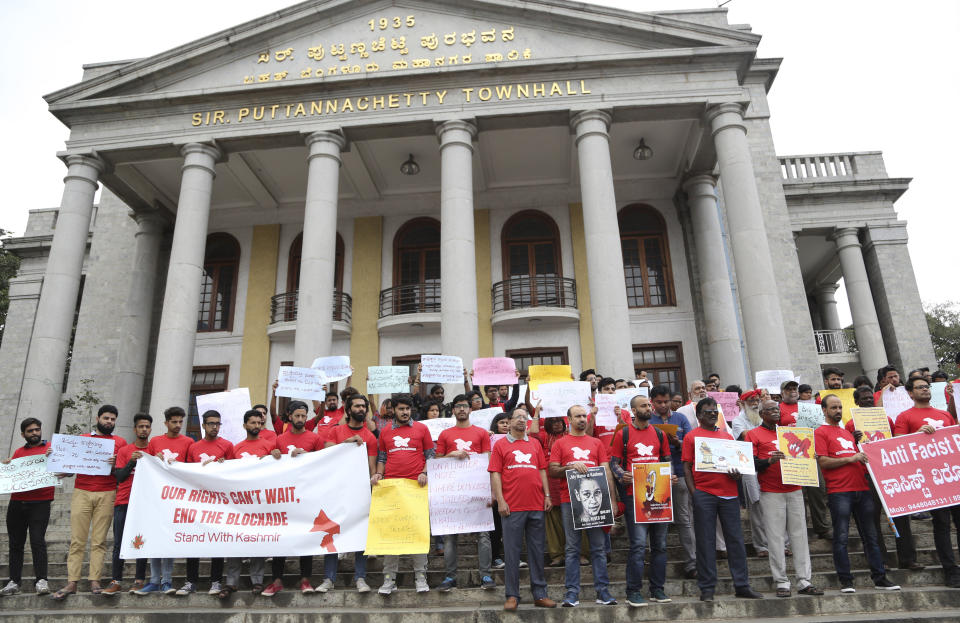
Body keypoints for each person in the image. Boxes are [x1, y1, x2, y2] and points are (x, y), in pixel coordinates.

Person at [815, 395, 900, 593]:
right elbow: (824, 462)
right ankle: (846, 581)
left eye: (840, 407)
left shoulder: (847, 434)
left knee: (871, 537)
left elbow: (857, 459)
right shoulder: (820, 432)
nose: (837, 410)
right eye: (833, 407)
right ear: (824, 410)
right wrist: (851, 459)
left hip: (862, 489)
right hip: (839, 492)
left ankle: (880, 578)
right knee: (841, 537)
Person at [682, 397, 762, 602]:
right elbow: (686, 468)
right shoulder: (692, 437)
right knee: (706, 541)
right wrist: (695, 493)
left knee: (735, 541)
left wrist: (737, 475)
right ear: (699, 415)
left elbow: (737, 467)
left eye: (714, 412)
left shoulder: (727, 437)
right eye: (707, 411)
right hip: (705, 494)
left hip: (729, 494)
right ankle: (707, 588)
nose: (711, 414)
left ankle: (742, 585)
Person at [746, 400, 822, 597]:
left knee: (800, 536)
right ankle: (781, 582)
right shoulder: (753, 435)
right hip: (771, 492)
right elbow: (750, 463)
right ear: (762, 414)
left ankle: (804, 580)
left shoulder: (791, 432)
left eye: (777, 409)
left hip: (795, 488)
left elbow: (804, 453)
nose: (776, 412)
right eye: (770, 410)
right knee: (776, 537)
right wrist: (769, 460)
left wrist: (809, 458)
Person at [52, 405, 126, 601]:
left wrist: (116, 463)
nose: (109, 422)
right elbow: (71, 466)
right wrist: (58, 463)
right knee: (77, 540)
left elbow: (122, 472)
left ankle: (95, 579)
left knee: (99, 540)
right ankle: (72, 581)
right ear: (98, 418)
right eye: (106, 418)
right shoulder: (83, 440)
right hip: (82, 491)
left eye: (112, 419)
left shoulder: (120, 442)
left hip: (107, 492)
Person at [892, 377, 960, 588]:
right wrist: (919, 435)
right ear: (910, 393)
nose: (925, 390)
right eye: (920, 387)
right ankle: (950, 570)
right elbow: (898, 446)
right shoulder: (904, 417)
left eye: (926, 386)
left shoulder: (945, 415)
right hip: (930, 482)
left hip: (952, 477)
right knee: (941, 525)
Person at [489, 408, 556, 611]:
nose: (521, 420)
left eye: (524, 418)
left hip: (536, 504)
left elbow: (542, 470)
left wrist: (547, 495)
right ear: (508, 421)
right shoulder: (500, 445)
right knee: (511, 553)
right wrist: (500, 500)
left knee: (536, 551)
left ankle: (540, 593)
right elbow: (495, 474)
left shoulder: (535, 443)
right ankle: (512, 595)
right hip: (512, 507)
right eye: (517, 417)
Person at [549, 404, 615, 607]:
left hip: (598, 501)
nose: (582, 419)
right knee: (572, 548)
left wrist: (612, 500)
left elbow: (607, 471)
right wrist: (570, 467)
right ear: (568, 419)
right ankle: (571, 593)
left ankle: (602, 592)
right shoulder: (560, 443)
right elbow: (552, 469)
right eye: (577, 416)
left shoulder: (596, 443)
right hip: (570, 501)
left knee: (598, 547)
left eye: (584, 415)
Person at [610, 394, 672, 607]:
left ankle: (657, 589)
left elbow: (666, 460)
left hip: (659, 495)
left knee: (661, 545)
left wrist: (670, 474)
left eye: (649, 404)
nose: (649, 407)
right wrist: (621, 475)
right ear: (634, 410)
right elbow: (614, 463)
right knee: (637, 545)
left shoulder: (659, 434)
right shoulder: (623, 434)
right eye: (644, 405)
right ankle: (633, 591)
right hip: (633, 495)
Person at [373, 393, 434, 595]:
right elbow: (382, 457)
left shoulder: (422, 429)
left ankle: (420, 576)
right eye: (401, 409)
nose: (405, 412)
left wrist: (425, 472)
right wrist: (379, 475)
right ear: (394, 411)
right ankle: (389, 579)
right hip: (391, 489)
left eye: (408, 409)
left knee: (418, 533)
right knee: (391, 535)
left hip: (416, 488)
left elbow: (430, 455)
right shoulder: (384, 432)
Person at [435, 394, 495, 592]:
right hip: (452, 493)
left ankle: (485, 575)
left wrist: (491, 491)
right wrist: (450, 455)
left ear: (470, 409)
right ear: (453, 410)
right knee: (450, 536)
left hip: (477, 490)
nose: (462, 409)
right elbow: (437, 462)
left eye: (465, 406)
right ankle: (450, 577)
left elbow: (488, 462)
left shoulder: (481, 433)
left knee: (483, 535)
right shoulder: (445, 435)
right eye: (458, 406)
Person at [220, 410, 281, 599]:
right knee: (236, 541)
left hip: (260, 503)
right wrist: (221, 463)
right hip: (239, 504)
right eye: (252, 423)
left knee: (258, 540)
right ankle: (231, 582)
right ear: (245, 425)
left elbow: (278, 470)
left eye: (259, 423)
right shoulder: (236, 448)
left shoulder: (270, 445)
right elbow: (228, 472)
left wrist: (277, 456)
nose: (256, 426)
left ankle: (257, 581)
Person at [133, 407, 194, 595]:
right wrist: (155, 460)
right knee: (154, 537)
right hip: (157, 497)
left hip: (177, 498)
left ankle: (167, 580)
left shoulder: (189, 442)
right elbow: (147, 467)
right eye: (174, 422)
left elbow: (192, 469)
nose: (177, 425)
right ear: (166, 422)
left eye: (180, 422)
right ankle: (153, 580)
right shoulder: (155, 442)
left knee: (169, 538)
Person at [262, 401, 320, 597]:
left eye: (304, 416)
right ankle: (277, 580)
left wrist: (307, 457)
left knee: (307, 537)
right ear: (289, 416)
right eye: (297, 416)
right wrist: (274, 454)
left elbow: (323, 463)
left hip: (306, 496)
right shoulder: (279, 439)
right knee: (281, 538)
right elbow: (269, 465)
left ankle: (305, 579)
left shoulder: (314, 438)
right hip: (284, 498)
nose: (301, 419)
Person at [322, 394, 378, 593]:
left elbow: (372, 467)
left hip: (359, 491)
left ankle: (360, 578)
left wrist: (373, 484)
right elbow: (327, 452)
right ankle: (329, 578)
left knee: (360, 534)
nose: (362, 409)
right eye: (357, 406)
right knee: (332, 532)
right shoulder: (336, 431)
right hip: (336, 490)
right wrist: (346, 443)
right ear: (348, 409)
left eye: (364, 406)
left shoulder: (370, 437)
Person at [183, 410, 233, 596]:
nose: (214, 427)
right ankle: (190, 581)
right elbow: (187, 473)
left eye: (218, 423)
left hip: (219, 502)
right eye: (211, 423)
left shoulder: (228, 446)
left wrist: (225, 465)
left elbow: (236, 472)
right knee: (193, 541)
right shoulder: (194, 448)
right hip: (198, 501)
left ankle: (216, 582)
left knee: (217, 541)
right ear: (203, 425)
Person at [1, 418, 54, 596]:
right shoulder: (18, 453)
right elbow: (11, 476)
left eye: (37, 430)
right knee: (16, 544)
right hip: (17, 502)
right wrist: (7, 467)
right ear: (23, 434)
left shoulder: (50, 449)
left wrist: (55, 459)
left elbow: (66, 471)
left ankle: (41, 580)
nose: (34, 433)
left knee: (38, 541)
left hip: (40, 502)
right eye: (30, 431)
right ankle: (14, 581)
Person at [647, 384, 695, 579]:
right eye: (658, 402)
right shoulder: (647, 420)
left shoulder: (681, 418)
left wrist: (678, 442)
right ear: (652, 402)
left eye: (666, 401)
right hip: (654, 475)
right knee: (655, 519)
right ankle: (656, 564)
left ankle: (692, 562)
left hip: (680, 472)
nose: (663, 405)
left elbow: (691, 443)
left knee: (684, 519)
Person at [104, 413, 151, 596]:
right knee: (119, 544)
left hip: (145, 504)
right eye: (141, 426)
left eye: (147, 426)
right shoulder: (125, 451)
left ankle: (139, 580)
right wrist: (132, 461)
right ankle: (116, 580)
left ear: (150, 429)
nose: (144, 429)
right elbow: (120, 477)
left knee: (141, 542)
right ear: (135, 429)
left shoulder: (154, 450)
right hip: (123, 501)